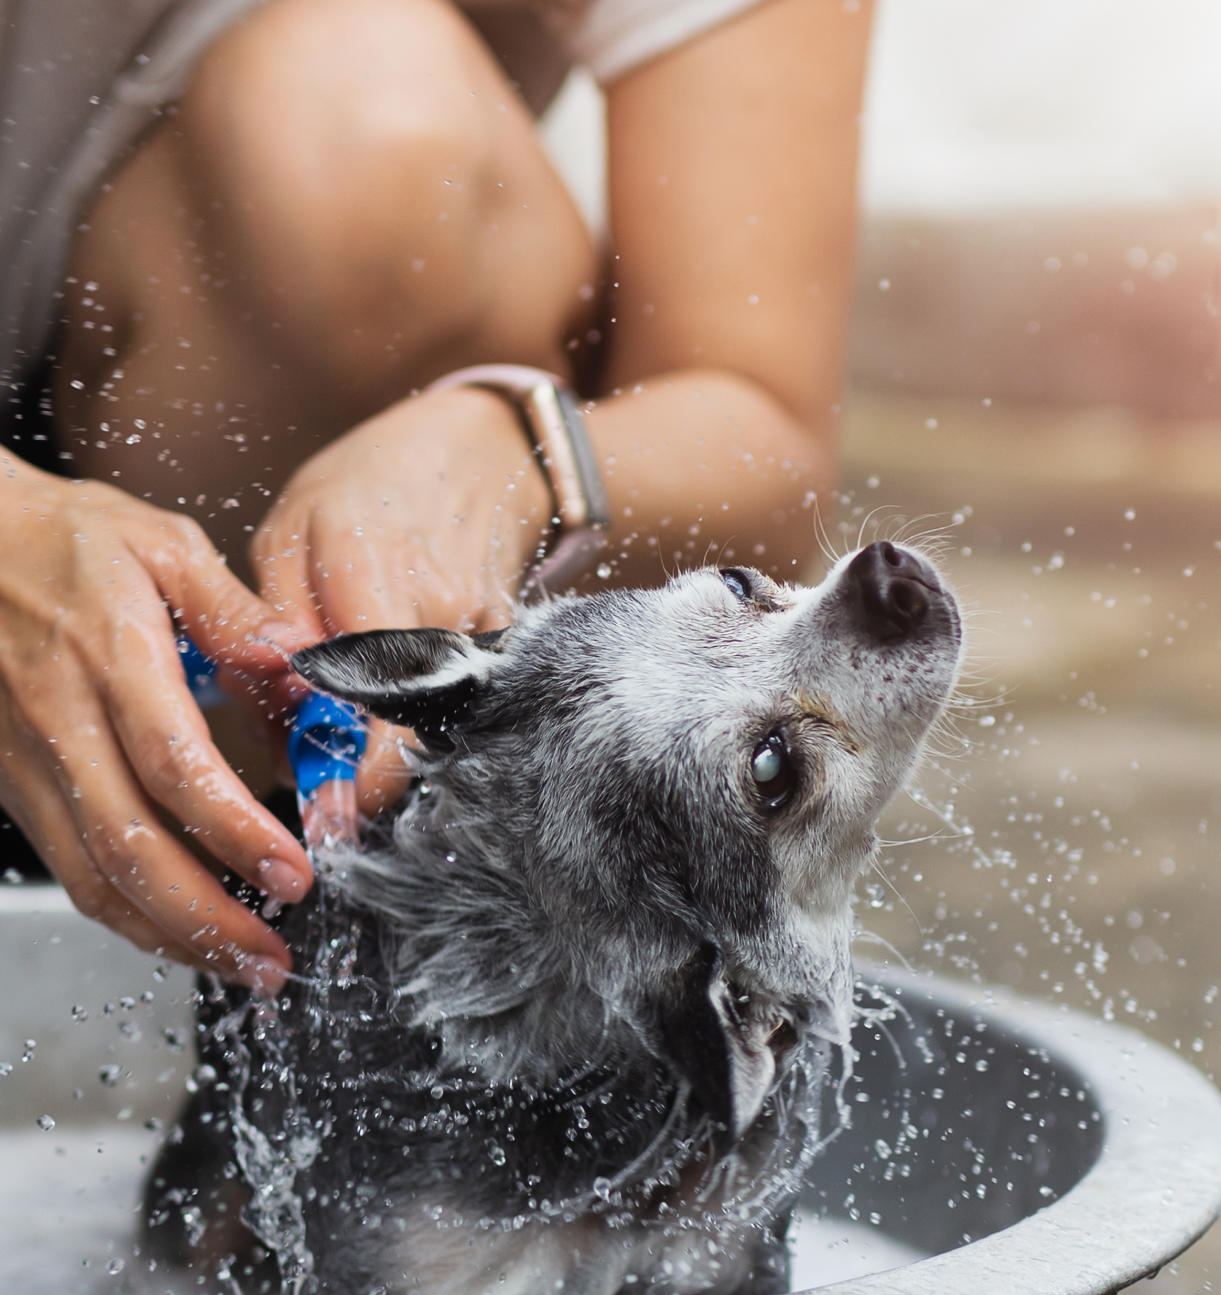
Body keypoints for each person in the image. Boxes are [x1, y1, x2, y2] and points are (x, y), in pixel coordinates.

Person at [0, 0, 872, 993]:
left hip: (177, 416)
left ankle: (261, 871)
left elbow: (756, 421)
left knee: (361, 132)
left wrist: (515, 451)